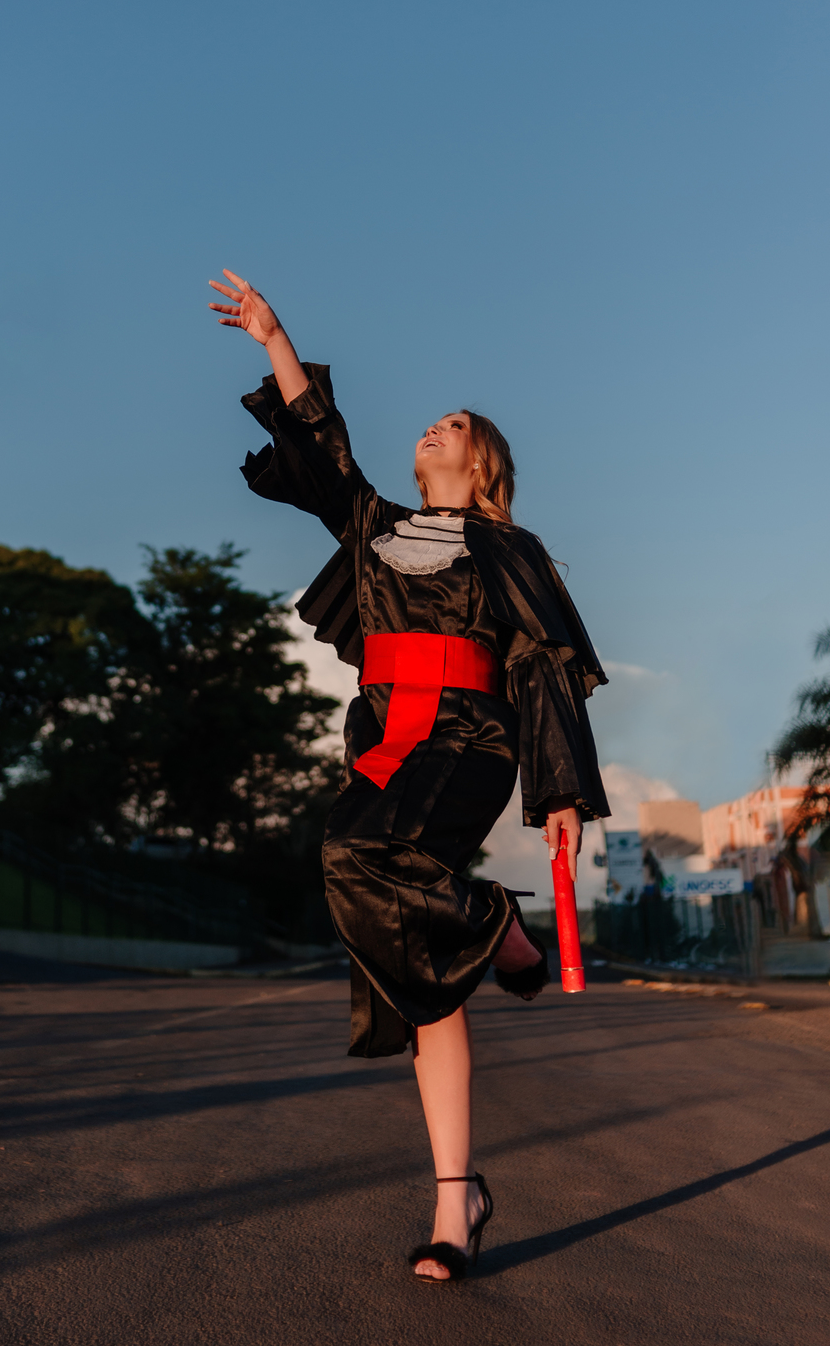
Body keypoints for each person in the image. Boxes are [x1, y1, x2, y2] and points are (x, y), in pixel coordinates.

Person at [209, 269, 610, 1285]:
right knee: (416, 963)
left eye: (456, 425)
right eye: (432, 422)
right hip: (387, 739)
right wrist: (274, 337)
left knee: (355, 852)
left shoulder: (509, 548)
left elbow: (545, 667)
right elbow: (322, 446)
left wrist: (561, 794)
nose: (434, 426)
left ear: (484, 465)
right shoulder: (376, 525)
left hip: (470, 739)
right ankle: (455, 1200)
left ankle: (497, 921)